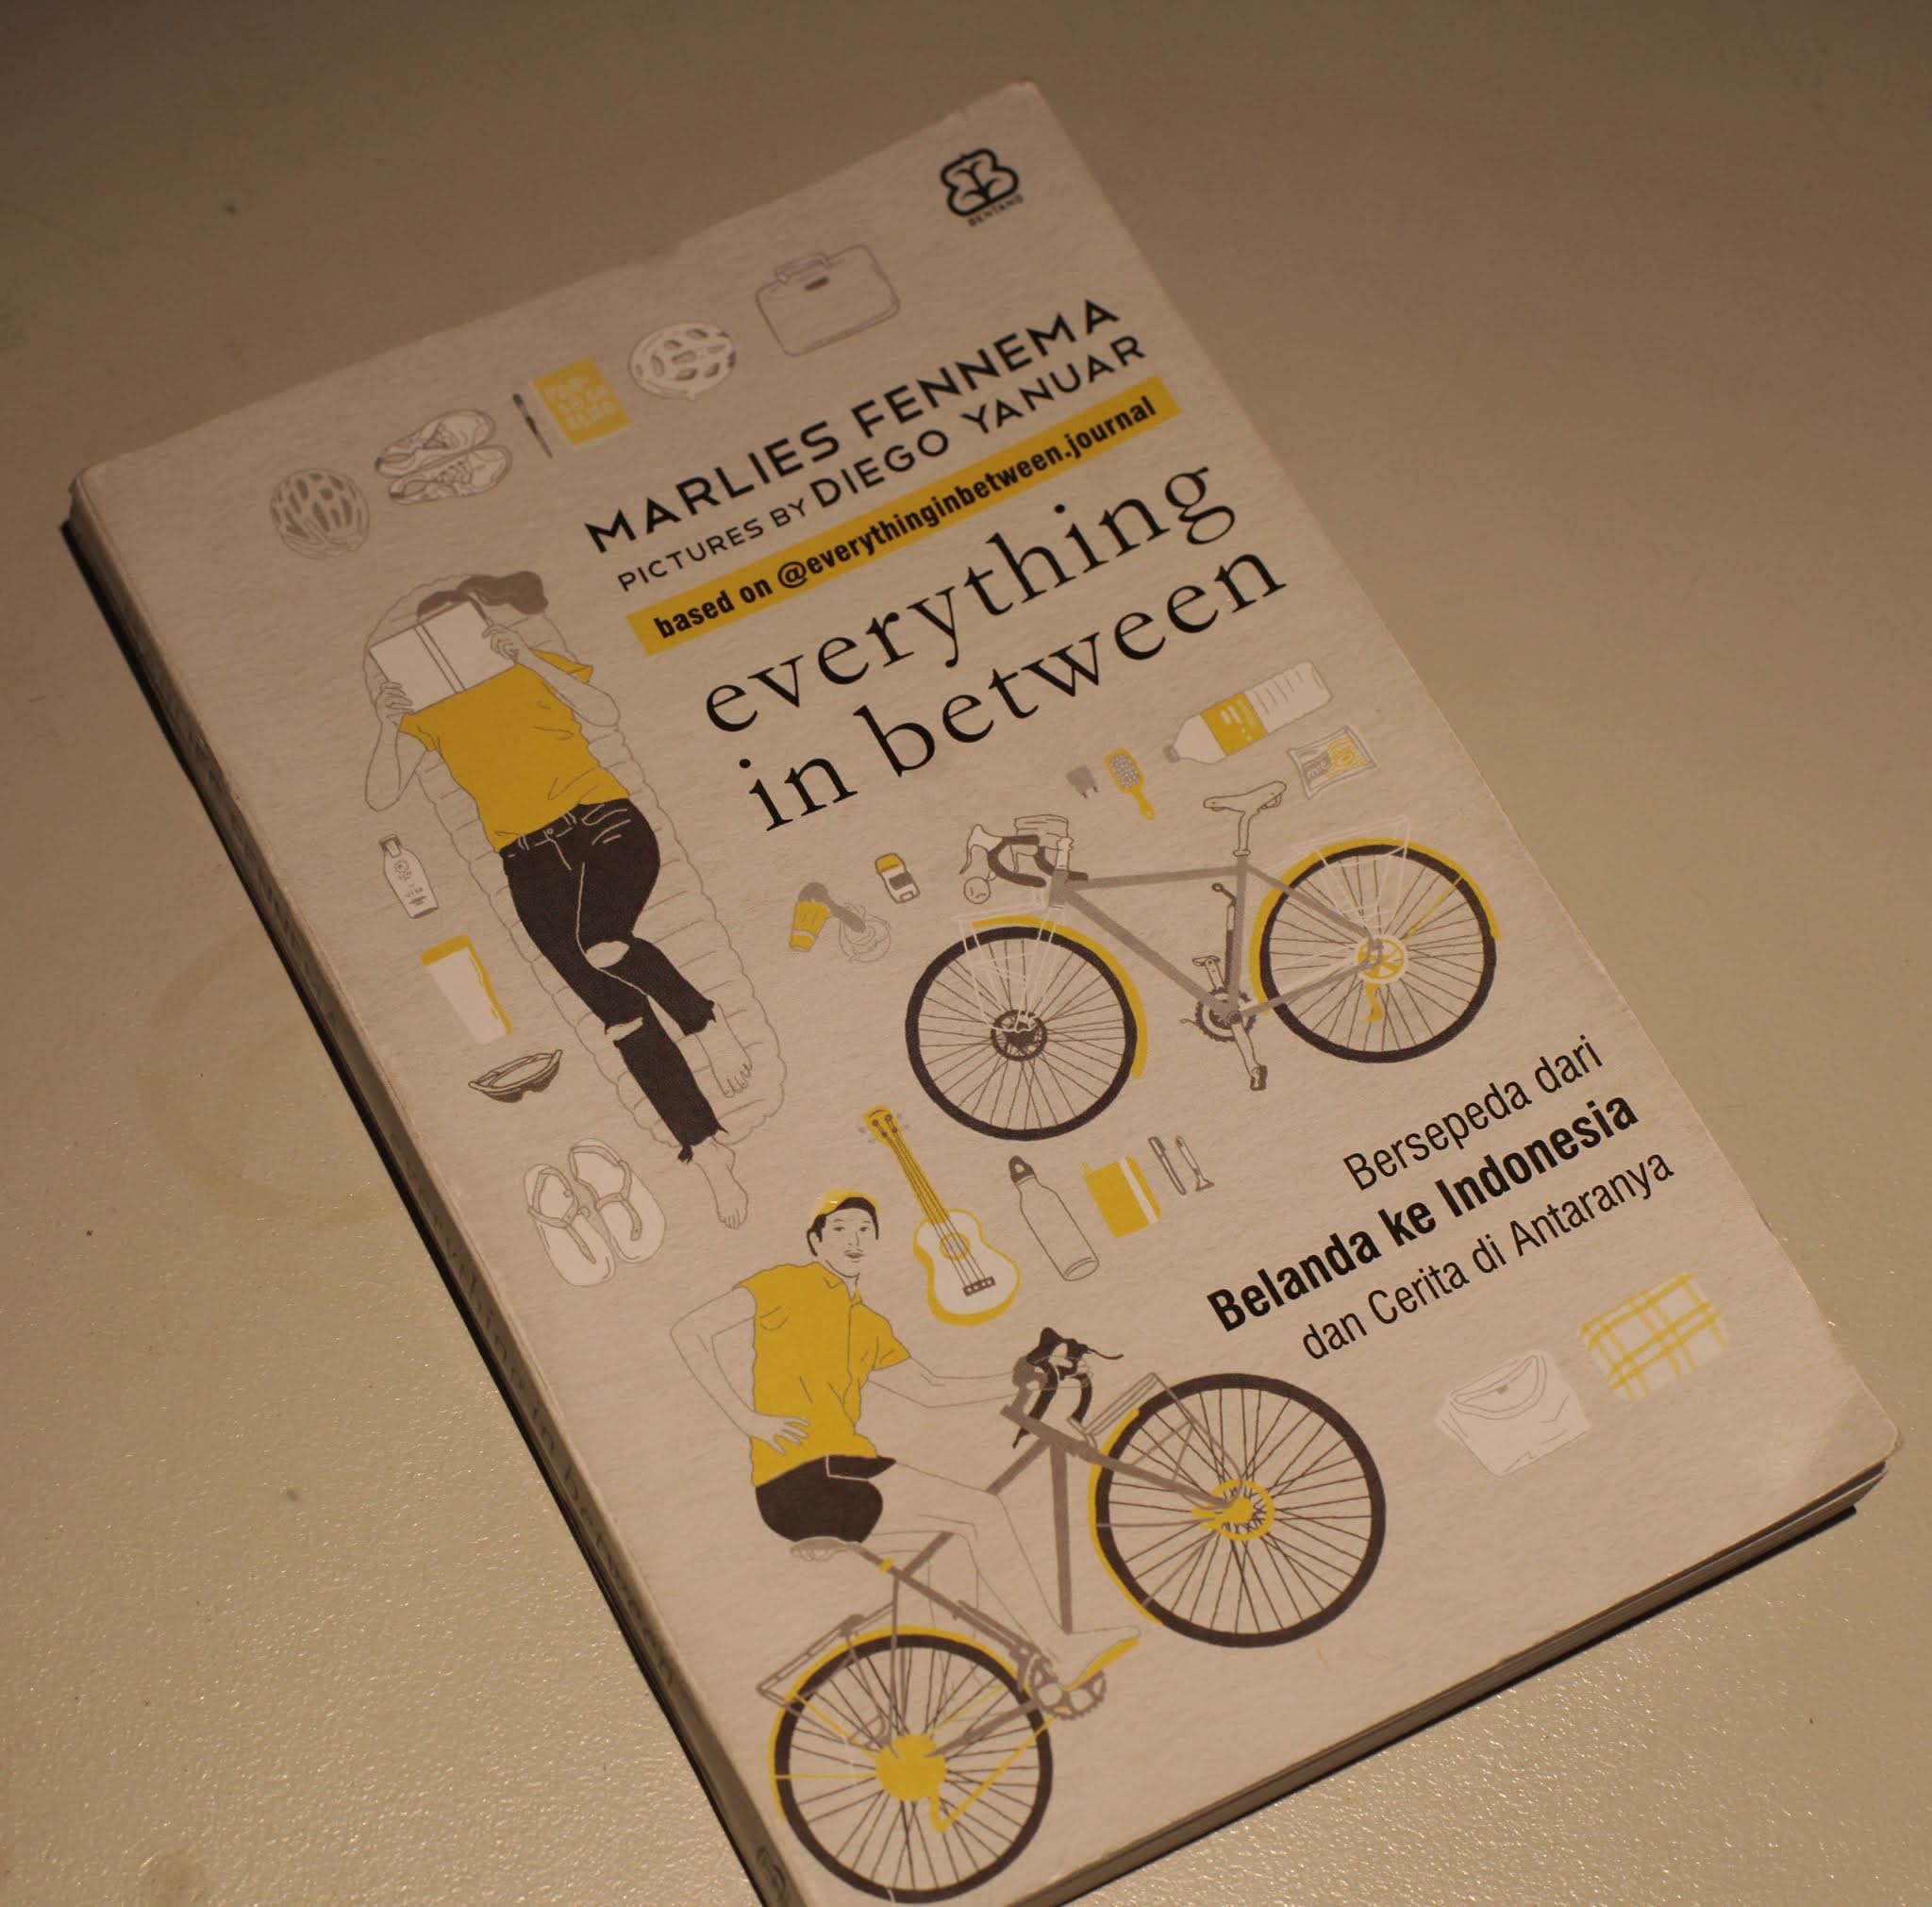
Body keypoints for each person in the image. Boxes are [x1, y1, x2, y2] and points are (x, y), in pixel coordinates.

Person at [363, 570, 750, 1225]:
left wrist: (531, 660)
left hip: (601, 820)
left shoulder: (533, 665)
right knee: (619, 1015)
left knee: (604, 942)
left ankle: (706, 1023)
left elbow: (604, 712)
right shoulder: (427, 714)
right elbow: (380, 793)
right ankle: (709, 1152)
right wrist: (387, 724)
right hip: (528, 859)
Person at [672, 1191, 1137, 1691]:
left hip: (844, 1473)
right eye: (840, 1229)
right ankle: (1058, 1654)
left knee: (950, 1550)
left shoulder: (868, 1323)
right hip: (807, 1476)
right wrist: (747, 1420)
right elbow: (690, 1331)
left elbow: (930, 1390)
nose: (854, 1239)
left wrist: (1029, 1377)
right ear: (816, 1241)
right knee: (981, 1514)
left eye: (865, 1230)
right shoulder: (786, 1283)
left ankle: (991, 1678)